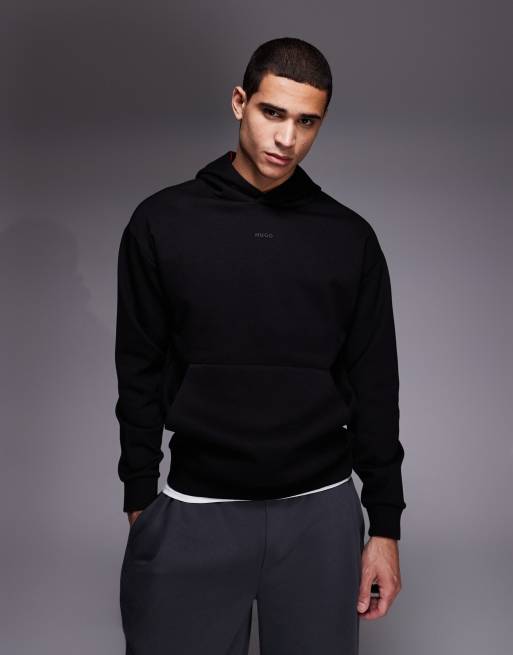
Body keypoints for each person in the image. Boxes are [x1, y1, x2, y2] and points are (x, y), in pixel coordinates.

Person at [115, 36, 406, 655]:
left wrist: (385, 526)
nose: (287, 138)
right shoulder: (162, 222)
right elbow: (138, 366)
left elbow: (376, 386)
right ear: (239, 102)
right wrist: (139, 493)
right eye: (273, 112)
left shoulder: (349, 238)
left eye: (307, 121)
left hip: (320, 513)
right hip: (197, 507)